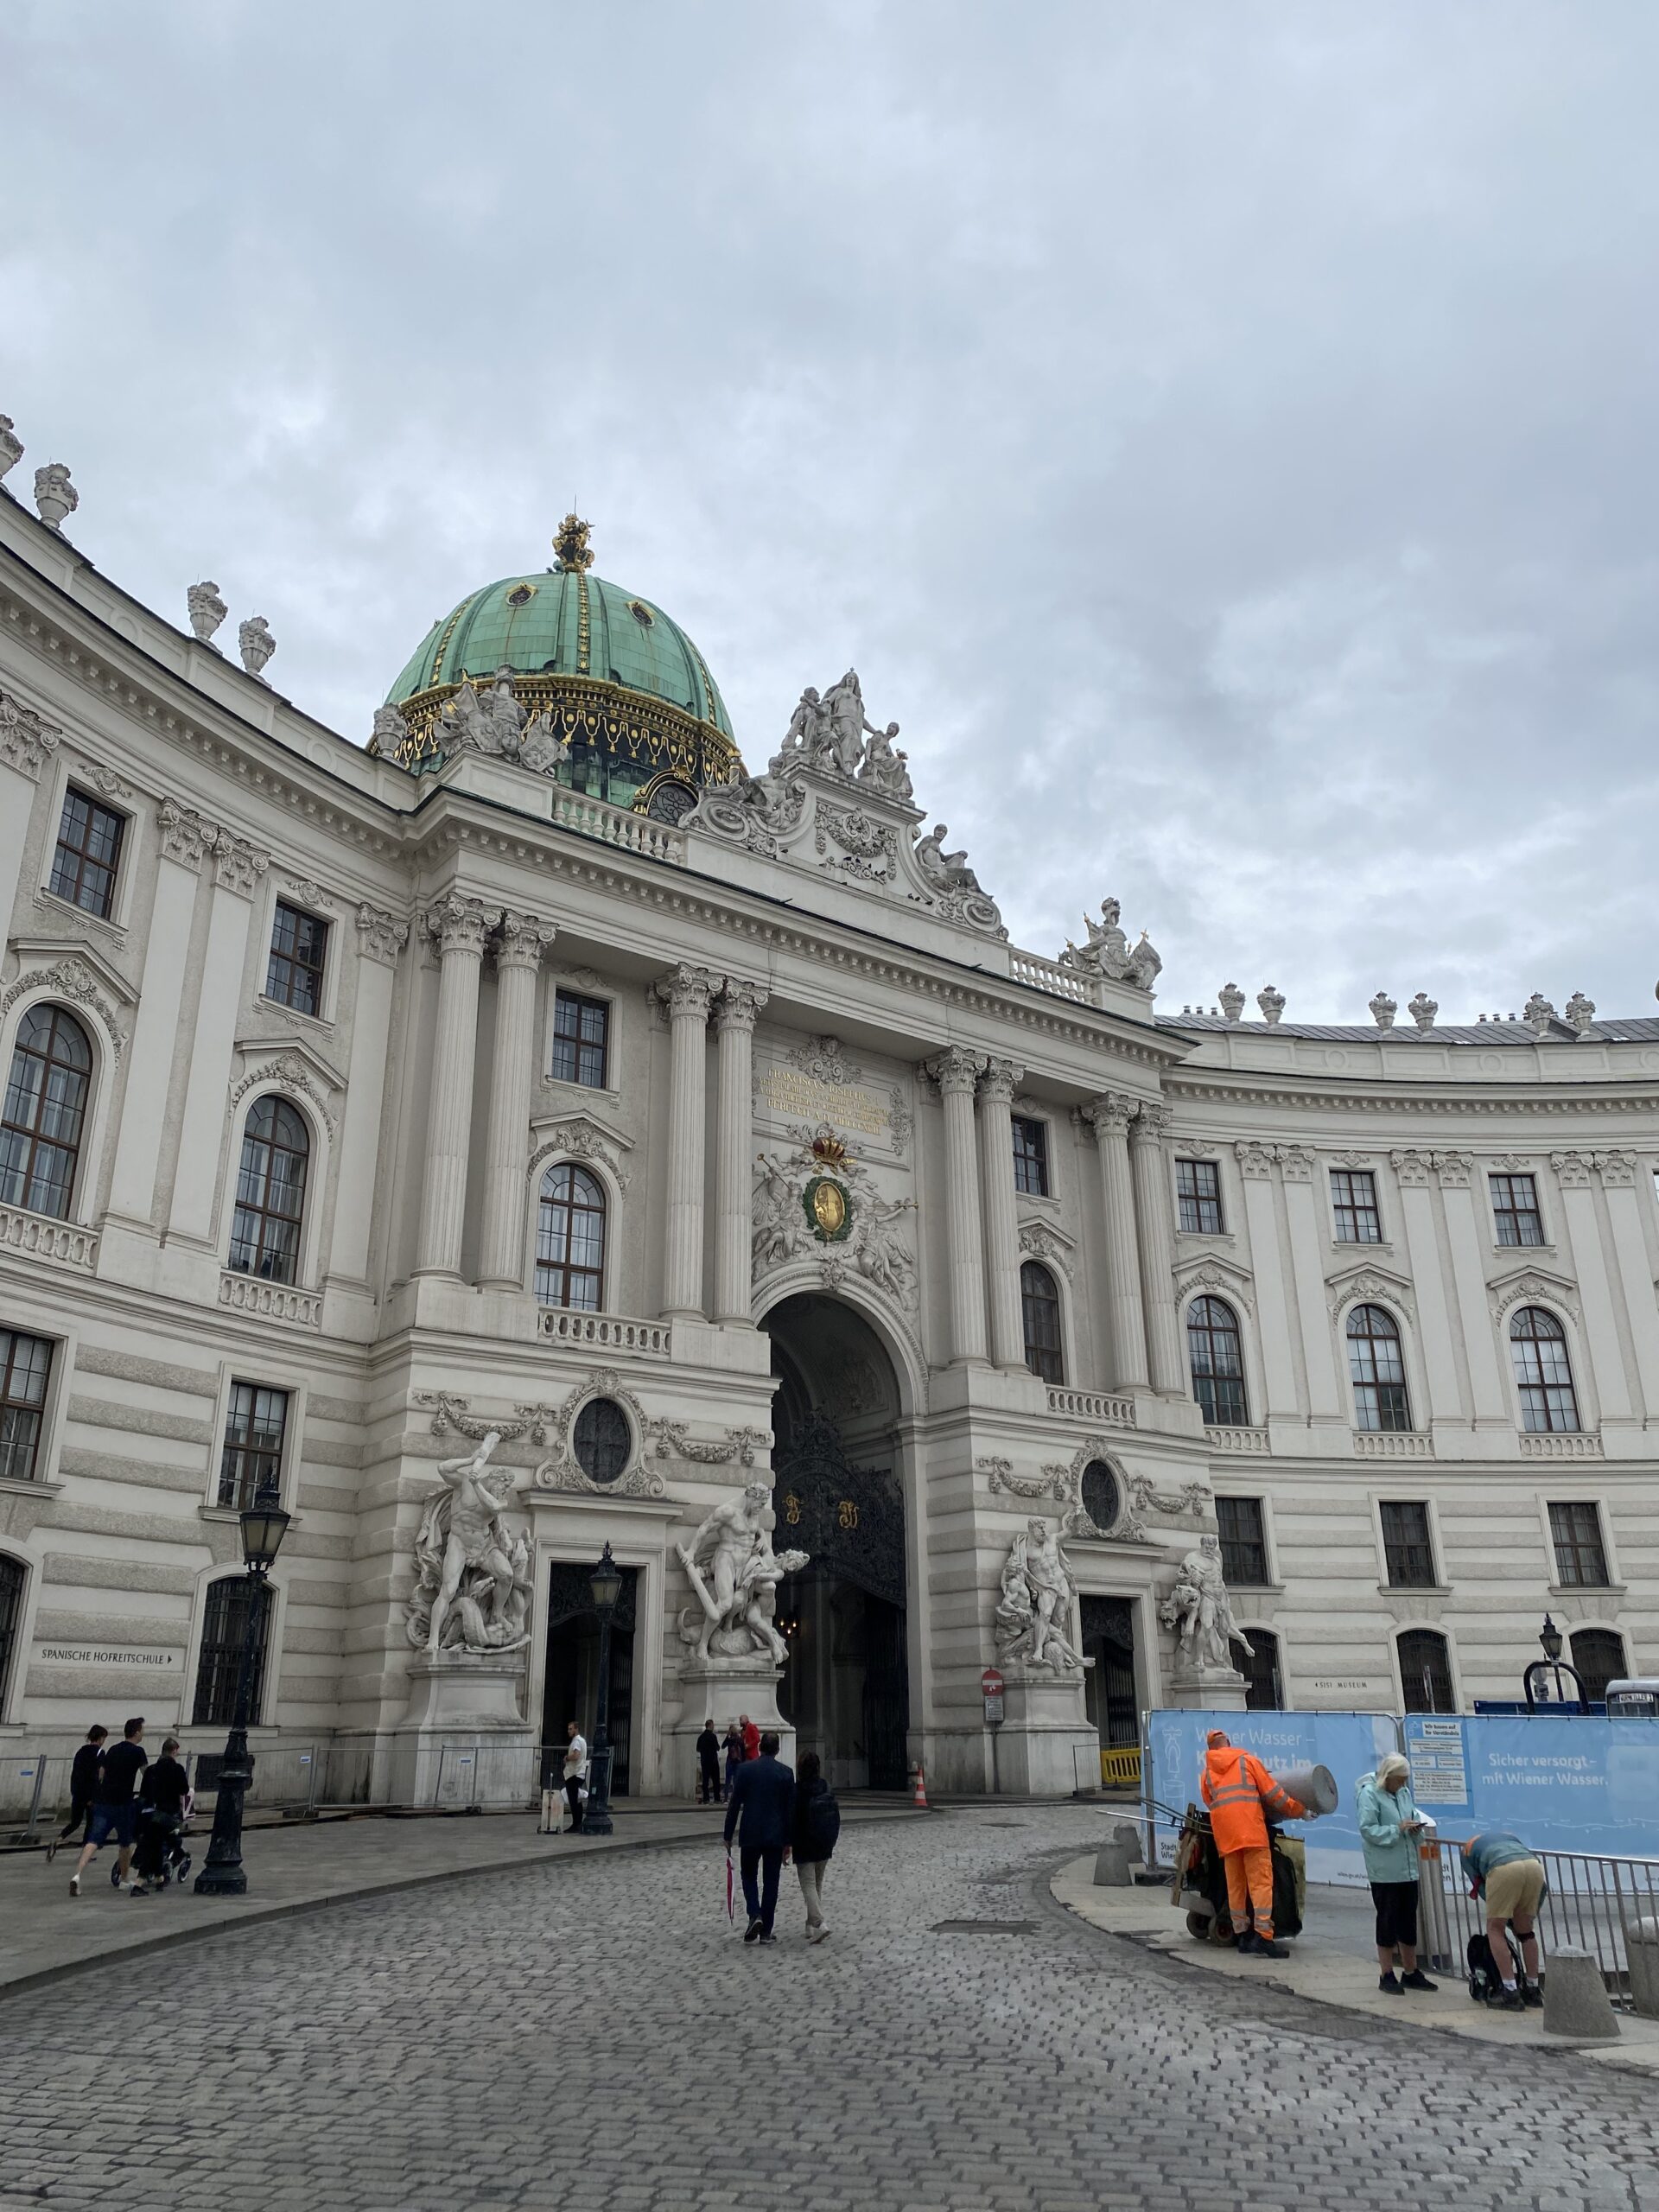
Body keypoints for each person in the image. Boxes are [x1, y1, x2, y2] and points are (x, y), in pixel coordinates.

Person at [1199, 1728, 1306, 1959]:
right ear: (1228, 1742)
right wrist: (1299, 1811)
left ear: (1211, 1749)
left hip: (1227, 1837)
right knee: (1260, 1883)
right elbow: (1274, 1794)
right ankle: (1264, 1936)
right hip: (1251, 1832)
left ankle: (1242, 1935)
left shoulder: (1206, 1774)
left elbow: (1210, 1802)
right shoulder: (1247, 1761)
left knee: (1236, 1885)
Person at [1355, 1753, 1437, 1993]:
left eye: (1405, 1781)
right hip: (1385, 1871)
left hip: (1408, 1868)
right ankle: (1386, 1973)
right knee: (1387, 1920)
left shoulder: (1403, 1793)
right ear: (1388, 1777)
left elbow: (1411, 1816)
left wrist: (1414, 1830)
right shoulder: (1369, 1794)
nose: (1403, 1785)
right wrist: (1396, 1829)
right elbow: (1368, 1829)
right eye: (1399, 1780)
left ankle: (1411, 1971)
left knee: (1408, 1921)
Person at [723, 1729, 795, 1944]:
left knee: (749, 1876)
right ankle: (766, 1932)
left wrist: (728, 1834)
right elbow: (790, 1810)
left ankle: (755, 1914)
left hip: (751, 1832)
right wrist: (789, 1841)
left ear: (760, 1747)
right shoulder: (786, 1773)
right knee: (771, 1882)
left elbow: (734, 1805)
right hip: (775, 1835)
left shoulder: (745, 1770)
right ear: (778, 1750)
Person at [1462, 1831, 1548, 2010]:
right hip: (1534, 1866)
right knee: (1526, 1934)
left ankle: (1510, 1991)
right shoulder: (1509, 1838)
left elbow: (1480, 1886)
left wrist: (1504, 1920)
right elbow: (1542, 1892)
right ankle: (1533, 1990)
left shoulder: (1467, 1852)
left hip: (1502, 1869)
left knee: (1495, 1929)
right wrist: (1521, 1922)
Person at [72, 1715, 147, 1897]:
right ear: (137, 1733)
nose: (143, 1733)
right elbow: (146, 1774)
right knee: (125, 1843)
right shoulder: (138, 1752)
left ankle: (77, 1875)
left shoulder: (113, 1749)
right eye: (142, 1730)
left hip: (104, 1801)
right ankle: (124, 1879)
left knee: (93, 1841)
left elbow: (101, 1773)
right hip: (123, 1802)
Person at [791, 1750, 839, 1944]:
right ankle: (809, 1924)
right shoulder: (825, 1786)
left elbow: (792, 1819)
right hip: (824, 1841)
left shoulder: (797, 1790)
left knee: (809, 1885)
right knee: (817, 1883)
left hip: (804, 1843)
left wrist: (787, 1843)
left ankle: (819, 1923)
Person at [131, 1736, 191, 1894]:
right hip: (168, 1814)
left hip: (151, 1812)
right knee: (155, 1845)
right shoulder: (177, 1769)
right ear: (174, 1751)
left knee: (155, 1844)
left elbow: (144, 1793)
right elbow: (184, 1790)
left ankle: (159, 1878)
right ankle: (139, 1884)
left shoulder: (152, 1770)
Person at [46, 1724, 106, 1864]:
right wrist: (95, 1795)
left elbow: (76, 1774)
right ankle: (85, 1854)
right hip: (90, 1794)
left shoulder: (80, 1752)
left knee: (75, 1822)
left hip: (78, 1792)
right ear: (101, 1738)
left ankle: (57, 1840)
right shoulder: (99, 1753)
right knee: (90, 1824)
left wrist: (75, 1791)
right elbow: (98, 1776)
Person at [562, 1719, 588, 1834]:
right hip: (580, 1772)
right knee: (576, 1799)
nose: (569, 1731)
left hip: (574, 1773)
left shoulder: (576, 1741)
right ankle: (578, 1823)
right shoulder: (582, 1740)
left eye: (571, 1729)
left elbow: (576, 1755)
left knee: (573, 1800)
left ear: (576, 1729)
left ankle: (576, 1824)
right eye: (568, 1729)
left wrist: (567, 1758)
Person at [696, 1719, 722, 1806]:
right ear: (710, 1725)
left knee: (705, 1781)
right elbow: (717, 1748)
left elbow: (698, 1749)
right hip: (713, 1761)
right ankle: (717, 1798)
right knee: (716, 1781)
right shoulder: (713, 1736)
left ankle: (706, 1799)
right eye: (713, 1725)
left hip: (704, 1761)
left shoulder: (701, 1737)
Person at [722, 1721, 743, 1799]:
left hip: (730, 1761)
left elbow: (723, 1746)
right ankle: (735, 1797)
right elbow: (743, 1749)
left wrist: (727, 1736)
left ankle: (726, 1798)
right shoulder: (739, 1739)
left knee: (728, 1780)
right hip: (737, 1761)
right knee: (735, 1780)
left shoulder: (730, 1739)